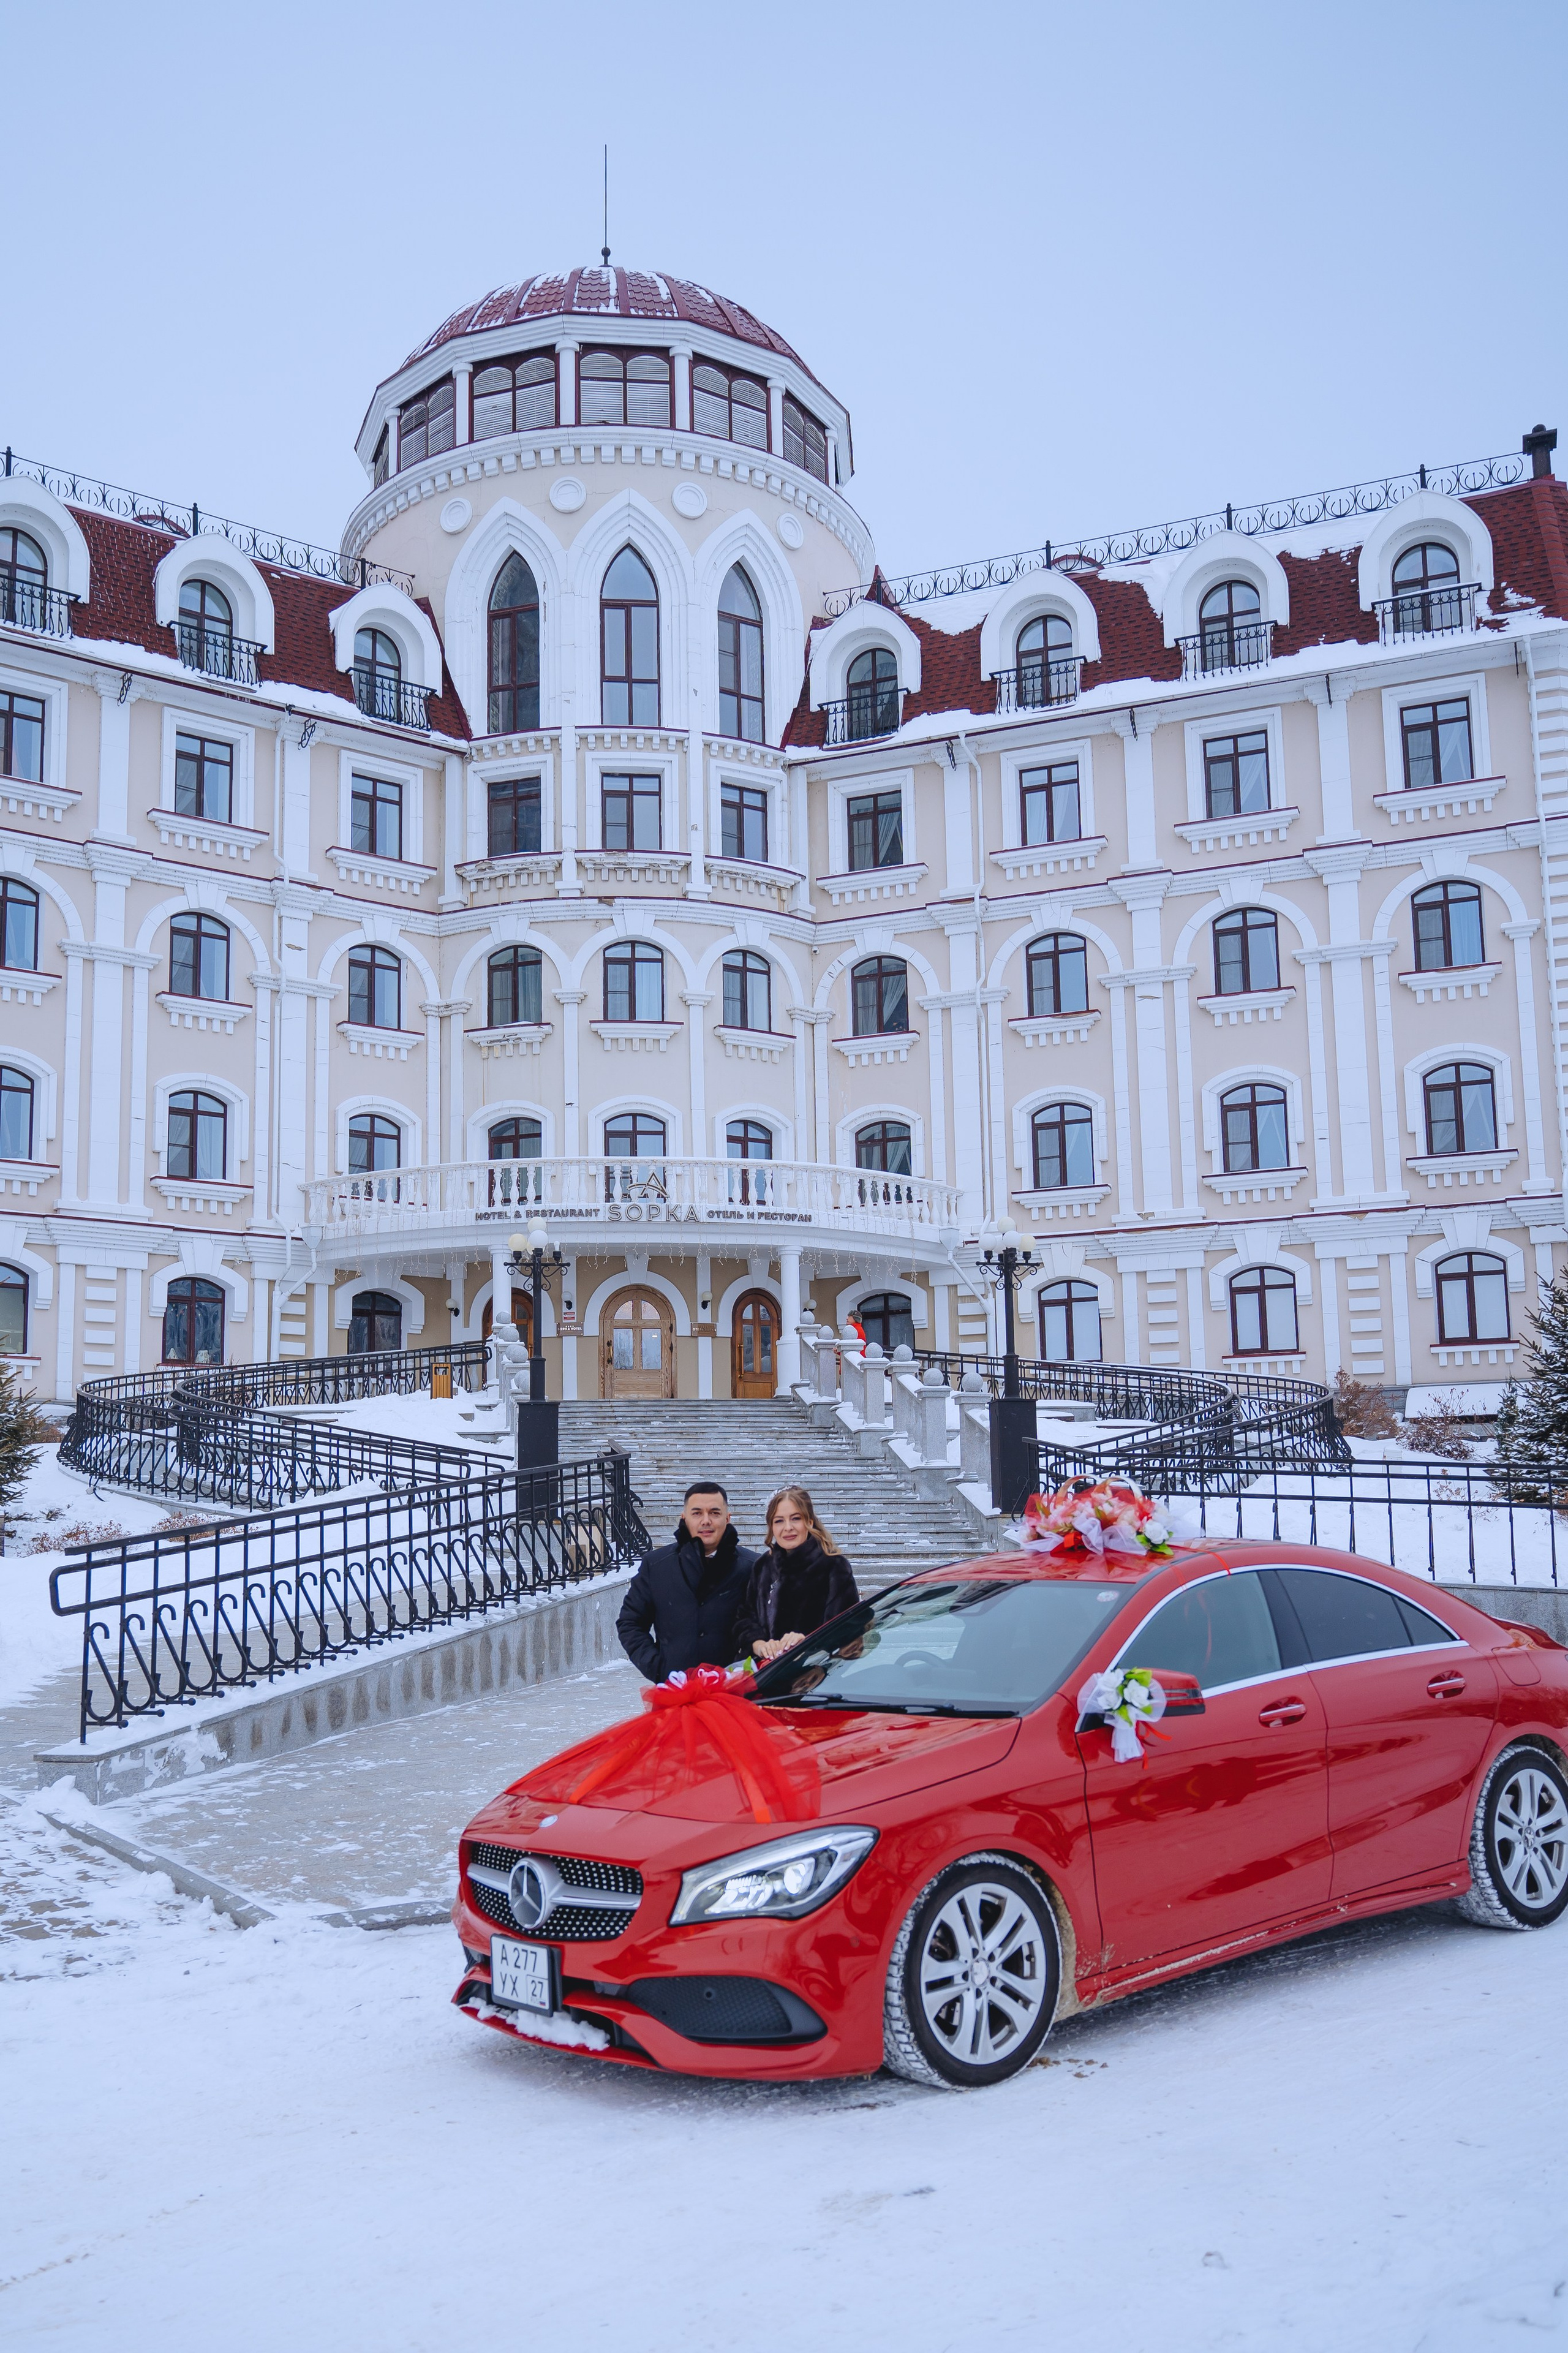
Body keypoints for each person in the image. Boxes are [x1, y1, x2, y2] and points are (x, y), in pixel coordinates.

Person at [616, 1480, 758, 1683]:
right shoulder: (657, 1566)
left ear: (728, 1518)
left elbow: (768, 1626)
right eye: (697, 1513)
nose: (706, 1521)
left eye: (715, 1513)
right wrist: (660, 1669)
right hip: (675, 1695)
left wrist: (742, 1670)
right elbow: (630, 1623)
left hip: (736, 1695)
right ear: (684, 1518)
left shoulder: (754, 1567)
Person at [736, 1486, 860, 1663]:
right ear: (771, 1526)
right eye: (779, 1521)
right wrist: (758, 1644)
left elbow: (848, 1631)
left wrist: (806, 1642)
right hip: (765, 1676)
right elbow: (745, 1618)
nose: (788, 1528)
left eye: (796, 1519)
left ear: (809, 1522)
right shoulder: (763, 1566)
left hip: (813, 1678)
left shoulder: (834, 1566)